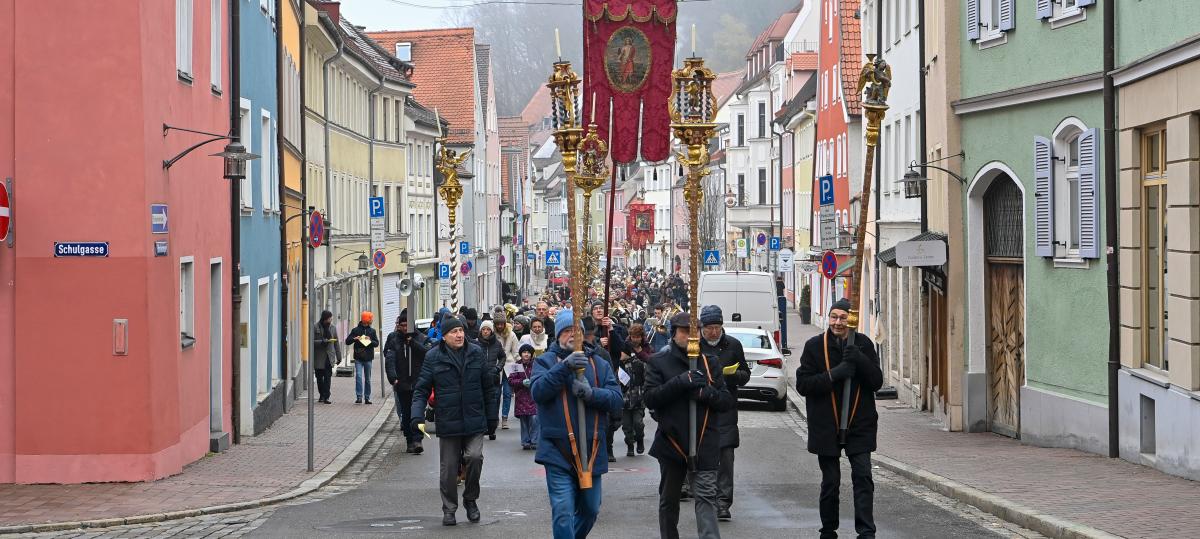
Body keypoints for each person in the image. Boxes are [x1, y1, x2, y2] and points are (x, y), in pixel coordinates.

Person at [795, 298, 884, 539]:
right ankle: (828, 529)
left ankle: (866, 530)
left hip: (859, 423)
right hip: (826, 424)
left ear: (851, 320)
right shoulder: (814, 346)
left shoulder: (863, 344)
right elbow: (803, 384)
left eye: (843, 318)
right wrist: (835, 374)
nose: (838, 322)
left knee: (863, 476)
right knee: (831, 481)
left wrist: (859, 360)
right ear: (828, 318)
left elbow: (876, 381)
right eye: (834, 317)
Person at [530, 309, 623, 539]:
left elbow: (616, 399)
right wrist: (564, 368)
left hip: (591, 449)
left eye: (577, 330)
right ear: (558, 335)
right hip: (557, 450)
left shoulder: (599, 364)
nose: (573, 335)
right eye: (567, 331)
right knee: (562, 510)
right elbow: (538, 392)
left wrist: (592, 394)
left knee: (591, 509)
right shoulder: (544, 361)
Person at [644, 312, 734, 539]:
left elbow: (725, 401)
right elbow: (651, 398)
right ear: (674, 333)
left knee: (705, 498)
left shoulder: (710, 361)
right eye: (685, 332)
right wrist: (680, 382)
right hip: (672, 442)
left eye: (694, 332)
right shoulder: (659, 361)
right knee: (669, 500)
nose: (690, 337)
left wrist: (705, 393)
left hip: (705, 441)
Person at [411, 315, 499, 527]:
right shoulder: (433, 357)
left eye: (460, 331)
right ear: (444, 336)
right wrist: (416, 415)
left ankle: (470, 499)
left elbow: (489, 387)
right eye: (454, 332)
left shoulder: (476, 353)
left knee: (475, 457)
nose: (459, 335)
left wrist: (492, 416)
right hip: (449, 420)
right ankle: (449, 508)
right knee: (449, 469)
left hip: (474, 417)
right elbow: (421, 389)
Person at [698, 305, 751, 521]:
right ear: (702, 327)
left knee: (726, 457)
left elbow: (745, 373)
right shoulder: (694, 346)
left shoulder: (733, 345)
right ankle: (703, 495)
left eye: (717, 327)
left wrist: (731, 377)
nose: (713, 332)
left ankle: (723, 503)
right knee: (699, 455)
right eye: (709, 327)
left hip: (726, 409)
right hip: (701, 408)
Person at [385, 309, 429, 454]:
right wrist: (393, 378)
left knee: (418, 413)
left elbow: (427, 354)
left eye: (407, 325)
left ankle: (418, 439)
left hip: (419, 383)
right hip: (402, 383)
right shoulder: (394, 340)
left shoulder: (421, 338)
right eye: (402, 325)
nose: (405, 328)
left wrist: (413, 343)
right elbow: (390, 360)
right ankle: (409, 440)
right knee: (406, 413)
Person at [621, 324, 651, 456]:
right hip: (625, 392)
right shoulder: (625, 346)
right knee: (627, 425)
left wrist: (638, 355)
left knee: (638, 423)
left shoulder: (646, 348)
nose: (635, 339)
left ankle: (640, 439)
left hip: (639, 392)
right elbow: (619, 361)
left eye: (638, 337)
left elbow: (651, 362)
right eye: (633, 337)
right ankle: (629, 446)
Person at [507, 344, 539, 450]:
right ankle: (525, 441)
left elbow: (540, 376)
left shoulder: (536, 364)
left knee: (534, 418)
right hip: (521, 397)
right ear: (521, 354)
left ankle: (534, 440)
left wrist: (533, 382)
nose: (526, 354)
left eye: (528, 352)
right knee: (524, 420)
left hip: (533, 396)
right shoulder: (516, 365)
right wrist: (521, 382)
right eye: (524, 352)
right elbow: (511, 380)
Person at [346, 311, 379, 405]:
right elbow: (347, 341)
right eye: (370, 319)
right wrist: (354, 339)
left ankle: (367, 397)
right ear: (367, 320)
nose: (371, 321)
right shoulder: (355, 330)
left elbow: (376, 343)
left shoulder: (372, 331)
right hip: (358, 357)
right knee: (359, 377)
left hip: (368, 358)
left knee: (368, 378)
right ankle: (359, 397)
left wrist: (370, 340)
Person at [494, 314, 520, 430]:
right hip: (496, 366)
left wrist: (520, 363)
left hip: (509, 365)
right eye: (497, 324)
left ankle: (504, 418)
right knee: (496, 394)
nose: (500, 326)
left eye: (501, 323)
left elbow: (516, 352)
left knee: (508, 393)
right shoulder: (492, 334)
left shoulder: (511, 334)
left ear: (505, 324)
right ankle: (495, 418)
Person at [312, 310, 340, 404]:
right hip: (319, 357)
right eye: (329, 318)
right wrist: (321, 342)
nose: (330, 320)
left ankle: (326, 396)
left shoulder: (333, 328)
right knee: (319, 377)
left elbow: (336, 343)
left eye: (331, 318)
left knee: (328, 377)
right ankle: (321, 395)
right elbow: (311, 342)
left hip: (329, 356)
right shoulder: (316, 327)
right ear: (324, 318)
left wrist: (339, 356)